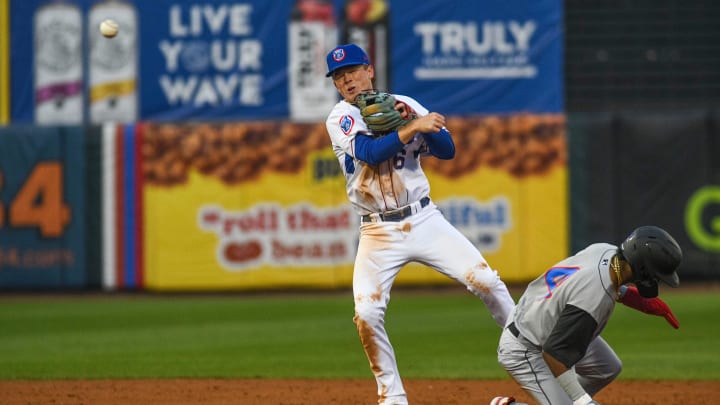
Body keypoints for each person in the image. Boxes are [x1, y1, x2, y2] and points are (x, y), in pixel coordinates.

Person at [324, 43, 516, 405]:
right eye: (338, 76)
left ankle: (531, 347)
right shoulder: (340, 118)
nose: (346, 80)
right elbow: (369, 153)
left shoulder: (404, 103)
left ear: (370, 70)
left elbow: (447, 150)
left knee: (487, 281)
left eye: (351, 70)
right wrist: (412, 128)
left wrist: (420, 123)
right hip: (377, 231)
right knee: (366, 313)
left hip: (424, 218)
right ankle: (392, 397)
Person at [495, 225, 682, 405]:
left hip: (544, 319)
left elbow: (595, 286)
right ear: (643, 269)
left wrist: (640, 301)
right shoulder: (594, 297)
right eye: (657, 275)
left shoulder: (606, 252)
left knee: (606, 367)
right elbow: (554, 356)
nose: (657, 280)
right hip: (526, 348)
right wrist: (583, 400)